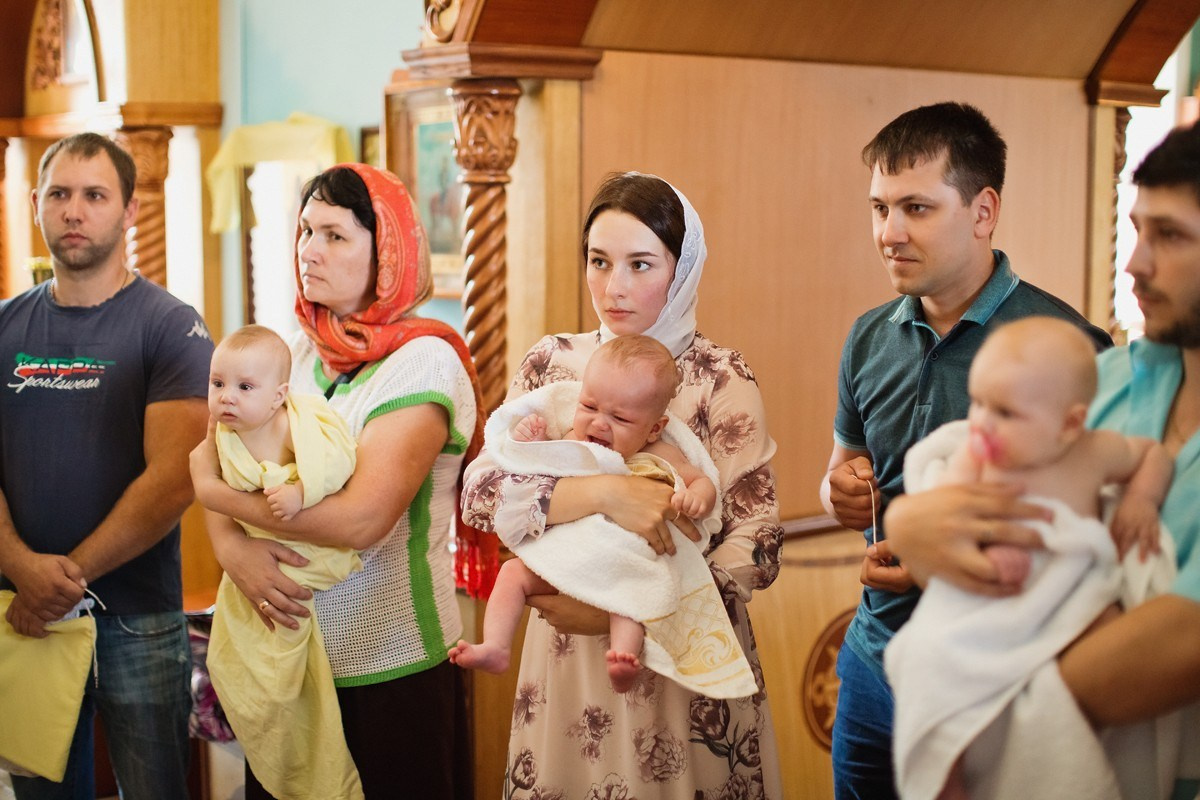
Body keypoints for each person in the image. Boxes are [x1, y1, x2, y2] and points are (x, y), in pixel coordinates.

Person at [885, 119, 1200, 800]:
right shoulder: (1104, 380)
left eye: (1171, 236)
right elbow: (962, 477)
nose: (1135, 264)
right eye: (1137, 231)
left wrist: (981, 700)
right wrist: (911, 525)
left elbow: (1181, 642)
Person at [818, 102, 1113, 799]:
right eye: (879, 208)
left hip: (993, 680)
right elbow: (839, 478)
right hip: (869, 662)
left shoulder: (1068, 348)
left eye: (916, 208)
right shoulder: (867, 337)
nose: (889, 233)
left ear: (983, 212)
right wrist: (840, 494)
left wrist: (936, 561)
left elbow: (1087, 546)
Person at [462, 172, 784, 798]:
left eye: (641, 264)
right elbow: (481, 495)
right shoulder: (552, 362)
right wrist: (607, 495)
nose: (614, 287)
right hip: (566, 660)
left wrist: (629, 605)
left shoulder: (719, 377)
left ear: (681, 269)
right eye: (599, 261)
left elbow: (759, 542)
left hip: (682, 660)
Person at [188, 163, 485, 799]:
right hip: (288, 659)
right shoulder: (296, 352)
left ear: (388, 254)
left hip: (390, 662)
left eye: (334, 235)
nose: (309, 251)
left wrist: (216, 498)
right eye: (305, 231)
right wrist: (229, 546)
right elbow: (216, 452)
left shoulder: (423, 363)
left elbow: (361, 520)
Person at [0, 132, 212, 799]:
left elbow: (172, 479)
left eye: (95, 195)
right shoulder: (4, 327)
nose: (74, 211)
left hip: (136, 619)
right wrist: (21, 568)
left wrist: (66, 578)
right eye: (59, 194)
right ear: (35, 204)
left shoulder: (170, 327)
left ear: (129, 211)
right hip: (26, 612)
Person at [884, 316, 1173, 800]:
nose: (981, 422)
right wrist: (983, 548)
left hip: (1071, 589)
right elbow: (946, 519)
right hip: (990, 597)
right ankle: (944, 774)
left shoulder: (1095, 452)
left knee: (1100, 633)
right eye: (978, 402)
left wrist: (1141, 499)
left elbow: (1152, 456)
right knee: (922, 655)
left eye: (1004, 412)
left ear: (1070, 424)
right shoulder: (977, 458)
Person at [450, 334, 718, 694]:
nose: (599, 424)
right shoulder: (572, 440)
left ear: (654, 428)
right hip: (571, 557)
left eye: (619, 417)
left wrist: (698, 496)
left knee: (631, 598)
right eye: (589, 407)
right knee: (512, 573)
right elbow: (532, 471)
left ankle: (623, 657)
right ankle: (496, 647)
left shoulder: (662, 453)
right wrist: (532, 443)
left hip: (624, 561)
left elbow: (700, 479)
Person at [203, 324, 364, 800]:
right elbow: (207, 476)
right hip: (255, 551)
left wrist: (301, 490)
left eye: (244, 387)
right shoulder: (224, 431)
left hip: (308, 554)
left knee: (282, 651)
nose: (227, 397)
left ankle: (299, 746)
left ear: (278, 397)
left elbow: (335, 460)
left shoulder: (290, 424)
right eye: (217, 383)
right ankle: (269, 715)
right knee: (235, 650)